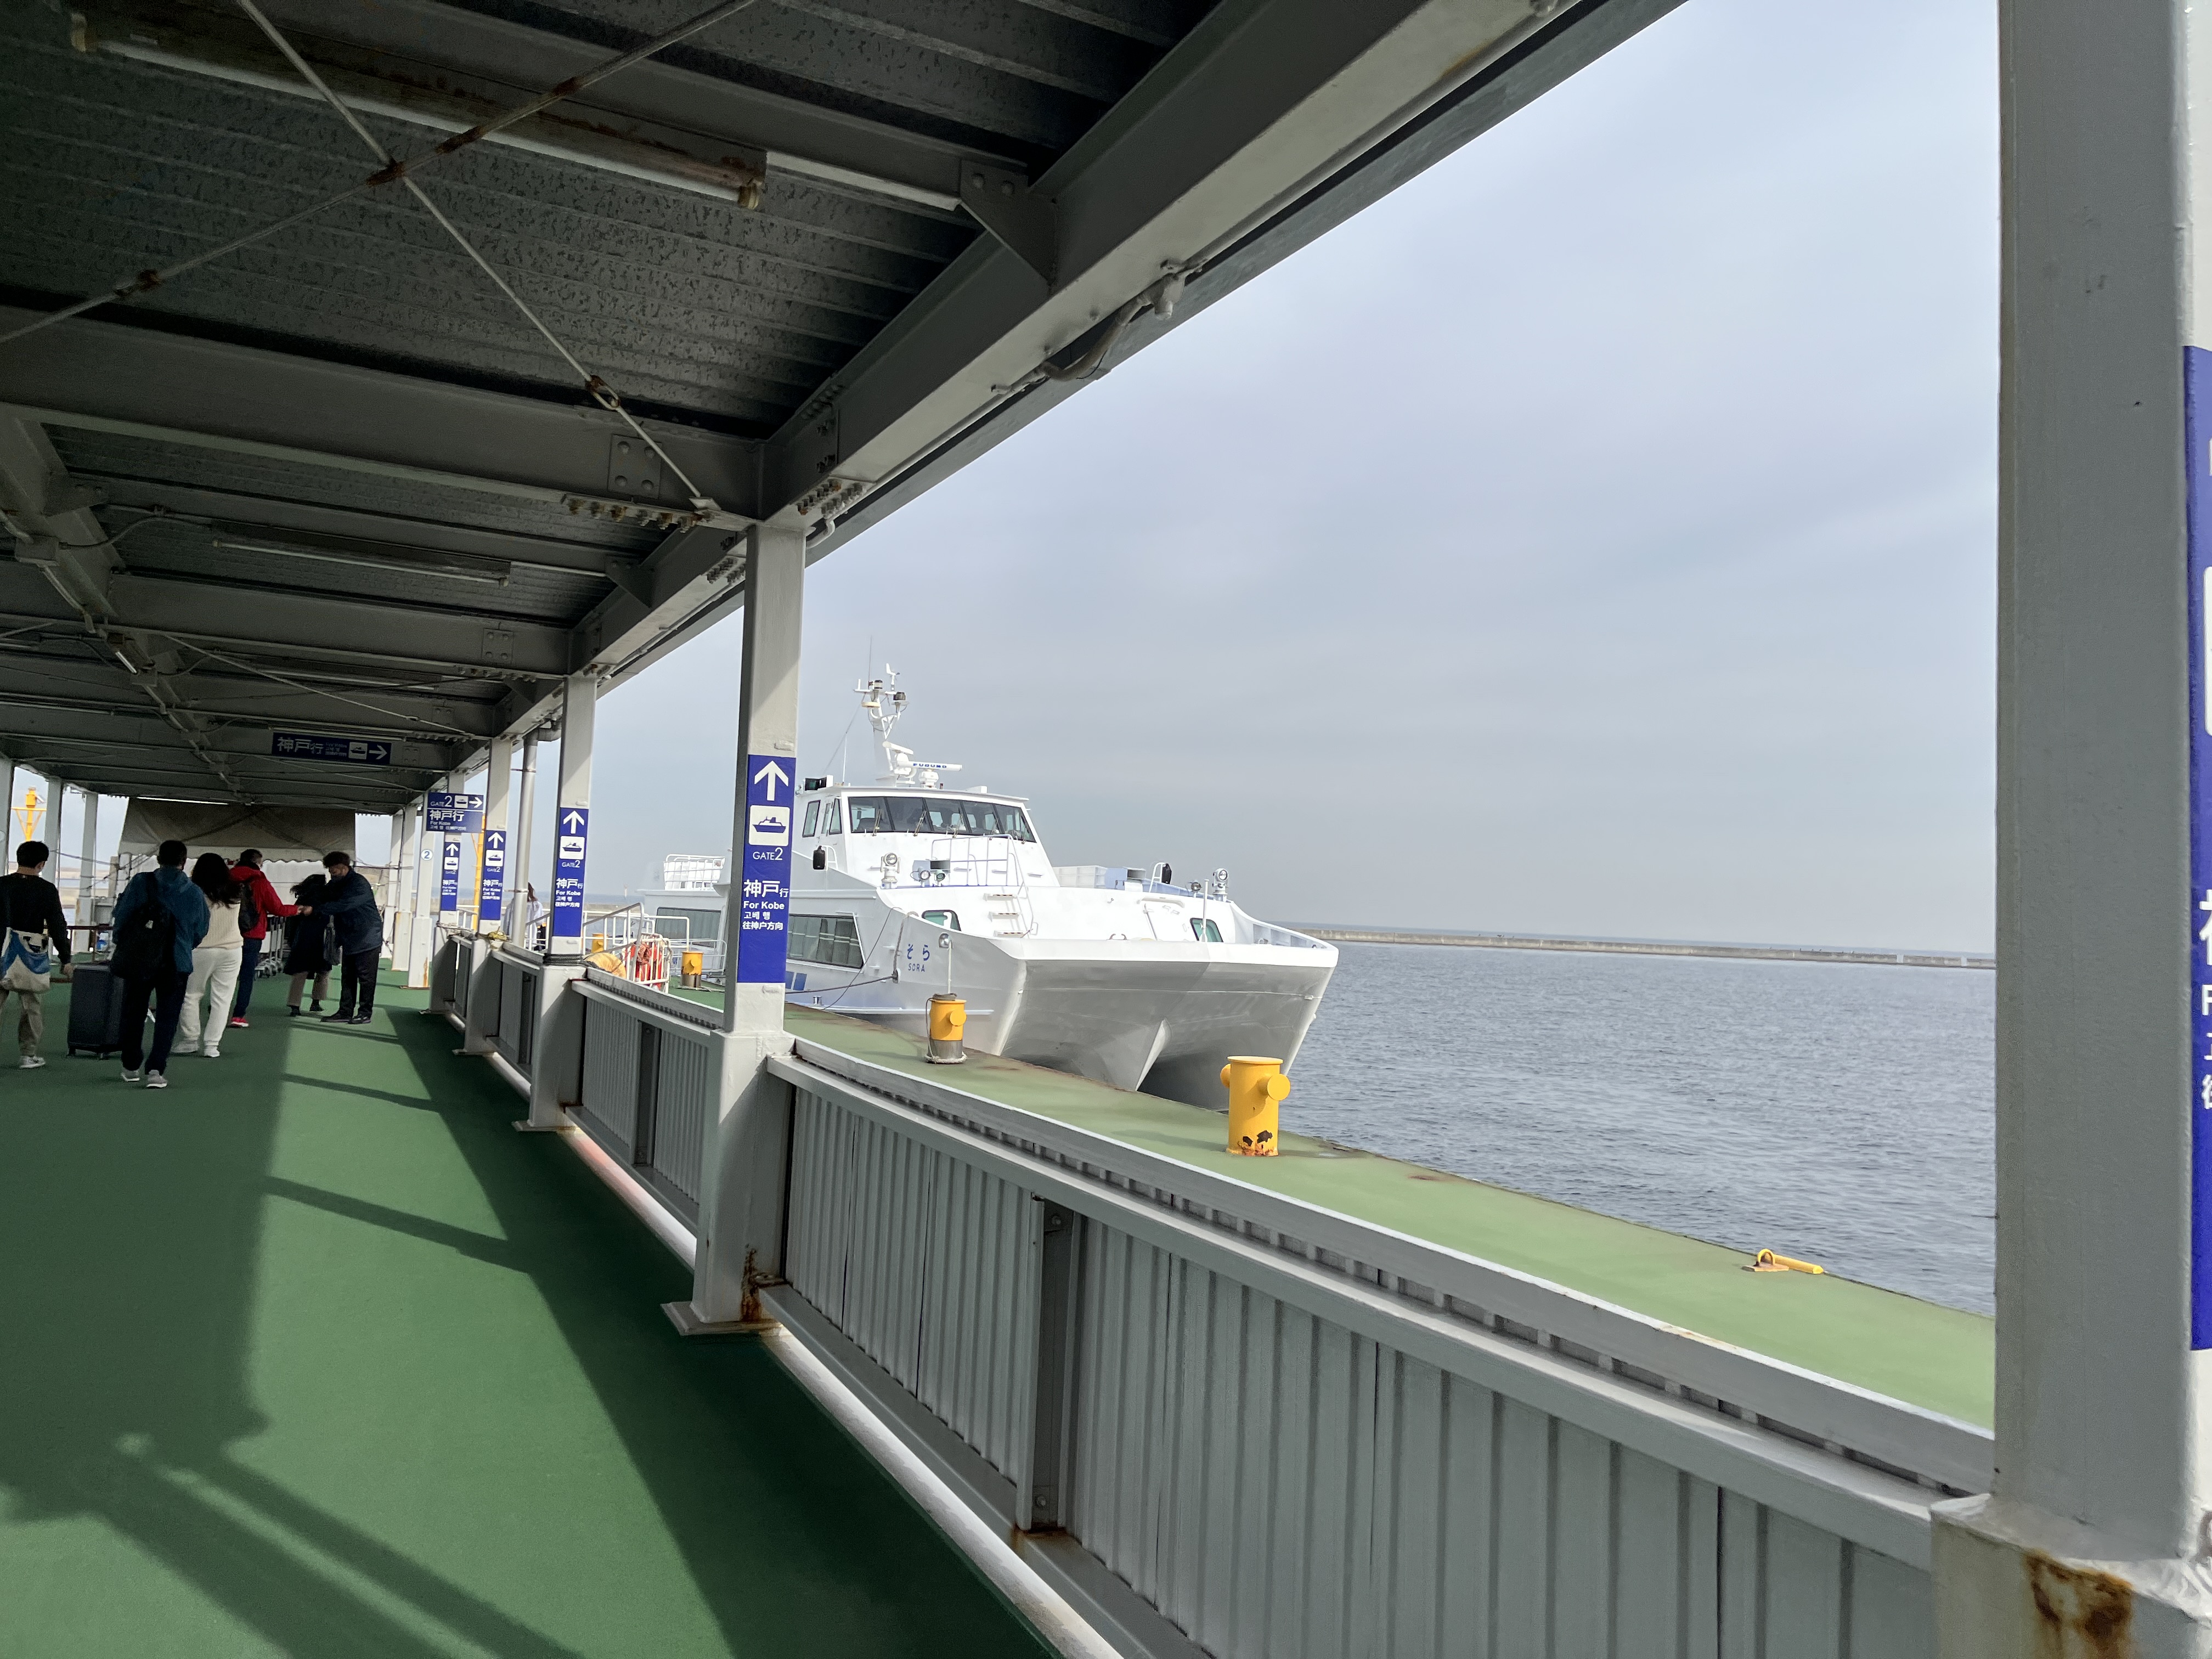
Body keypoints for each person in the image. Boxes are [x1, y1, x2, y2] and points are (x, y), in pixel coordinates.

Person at [111, 838, 209, 1090]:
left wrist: (122, 942)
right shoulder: (194, 893)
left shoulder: (141, 883)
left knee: (133, 1012)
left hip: (139, 959)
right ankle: (156, 1070)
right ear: (184, 862)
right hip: (177, 963)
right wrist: (184, 946)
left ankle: (131, 1065)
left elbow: (122, 915)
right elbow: (201, 929)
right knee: (168, 1017)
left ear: (158, 859)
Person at [0, 839, 73, 1070]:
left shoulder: (1, 885)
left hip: (0, 950)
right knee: (31, 1006)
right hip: (30, 953)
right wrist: (66, 958)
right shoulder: (46, 890)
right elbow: (57, 926)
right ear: (42, 864)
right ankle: (28, 1055)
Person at [174, 853, 245, 1060]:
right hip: (232, 949)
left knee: (190, 995)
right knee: (222, 999)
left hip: (200, 949)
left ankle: (190, 1040)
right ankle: (212, 1046)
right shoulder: (235, 891)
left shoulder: (193, 891)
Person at [305, 850, 382, 1024]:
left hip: (367, 937)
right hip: (350, 937)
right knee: (348, 977)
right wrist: (307, 898)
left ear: (343, 867)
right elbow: (324, 896)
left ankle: (365, 1013)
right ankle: (345, 1012)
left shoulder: (358, 884)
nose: (331, 873)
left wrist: (316, 910)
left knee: (366, 978)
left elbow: (344, 905)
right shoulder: (337, 883)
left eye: (333, 870)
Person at [227, 848, 293, 1028]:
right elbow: (277, 909)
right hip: (252, 934)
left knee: (224, 976)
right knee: (247, 977)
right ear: (258, 863)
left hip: (227, 934)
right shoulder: (260, 882)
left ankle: (218, 1010)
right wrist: (297, 910)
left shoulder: (226, 879)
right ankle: (238, 1016)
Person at [281, 872, 333, 1015]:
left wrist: (291, 940)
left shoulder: (303, 898)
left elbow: (292, 920)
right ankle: (316, 1002)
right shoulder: (327, 898)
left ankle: (294, 1005)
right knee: (323, 973)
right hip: (322, 940)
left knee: (300, 973)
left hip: (303, 939)